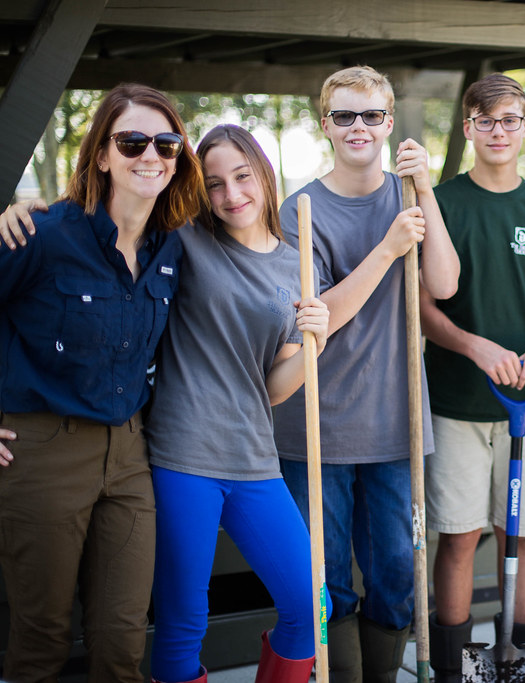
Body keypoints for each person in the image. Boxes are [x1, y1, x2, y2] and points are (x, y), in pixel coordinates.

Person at [0, 83, 204, 683]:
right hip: (43, 451)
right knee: (42, 639)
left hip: (131, 453)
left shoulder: (172, 248)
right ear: (102, 155)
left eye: (166, 144)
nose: (151, 155)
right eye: (132, 142)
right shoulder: (42, 234)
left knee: (122, 638)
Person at [272, 65, 459, 681]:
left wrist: (425, 190)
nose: (359, 127)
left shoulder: (407, 198)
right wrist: (387, 248)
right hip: (316, 425)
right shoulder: (299, 210)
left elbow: (444, 284)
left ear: (388, 122)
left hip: (395, 422)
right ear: (325, 124)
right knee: (324, 580)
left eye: (372, 115)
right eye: (345, 115)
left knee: (398, 574)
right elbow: (318, 318)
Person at [144, 125, 331, 683]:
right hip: (182, 454)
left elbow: (273, 387)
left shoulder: (297, 265)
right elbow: (113, 219)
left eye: (242, 176)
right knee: (183, 621)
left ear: (264, 175)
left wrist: (316, 343)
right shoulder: (184, 238)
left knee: (310, 605)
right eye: (215, 183)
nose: (231, 194)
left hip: (253, 456)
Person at [421, 73, 525, 682]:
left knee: (522, 534)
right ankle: (454, 671)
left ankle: (519, 666)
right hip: (457, 401)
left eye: (509, 119)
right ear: (468, 128)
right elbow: (424, 308)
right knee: (459, 536)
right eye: (485, 120)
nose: (497, 131)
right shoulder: (440, 203)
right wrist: (473, 345)